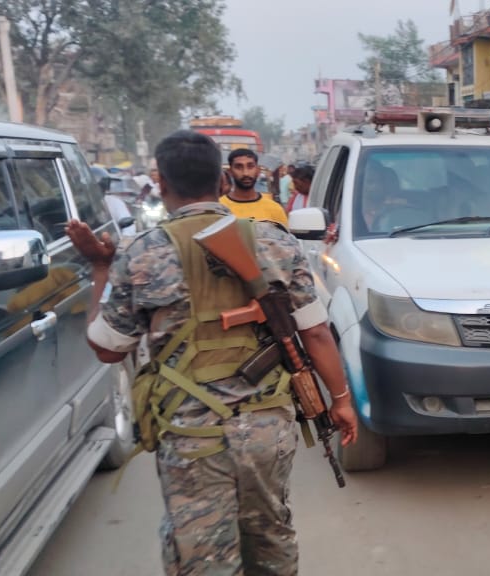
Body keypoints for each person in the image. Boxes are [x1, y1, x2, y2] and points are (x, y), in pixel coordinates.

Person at [63, 130, 359, 575]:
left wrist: (101, 268)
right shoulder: (276, 243)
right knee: (271, 536)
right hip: (266, 429)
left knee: (201, 555)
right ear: (223, 181)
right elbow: (316, 333)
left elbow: (107, 348)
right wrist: (340, 402)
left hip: (189, 434)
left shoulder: (142, 254)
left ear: (159, 181)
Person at [220, 149, 289, 227]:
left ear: (258, 170)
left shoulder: (275, 209)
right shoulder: (220, 209)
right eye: (239, 167)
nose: (245, 173)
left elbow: (284, 238)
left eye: (250, 166)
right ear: (230, 172)